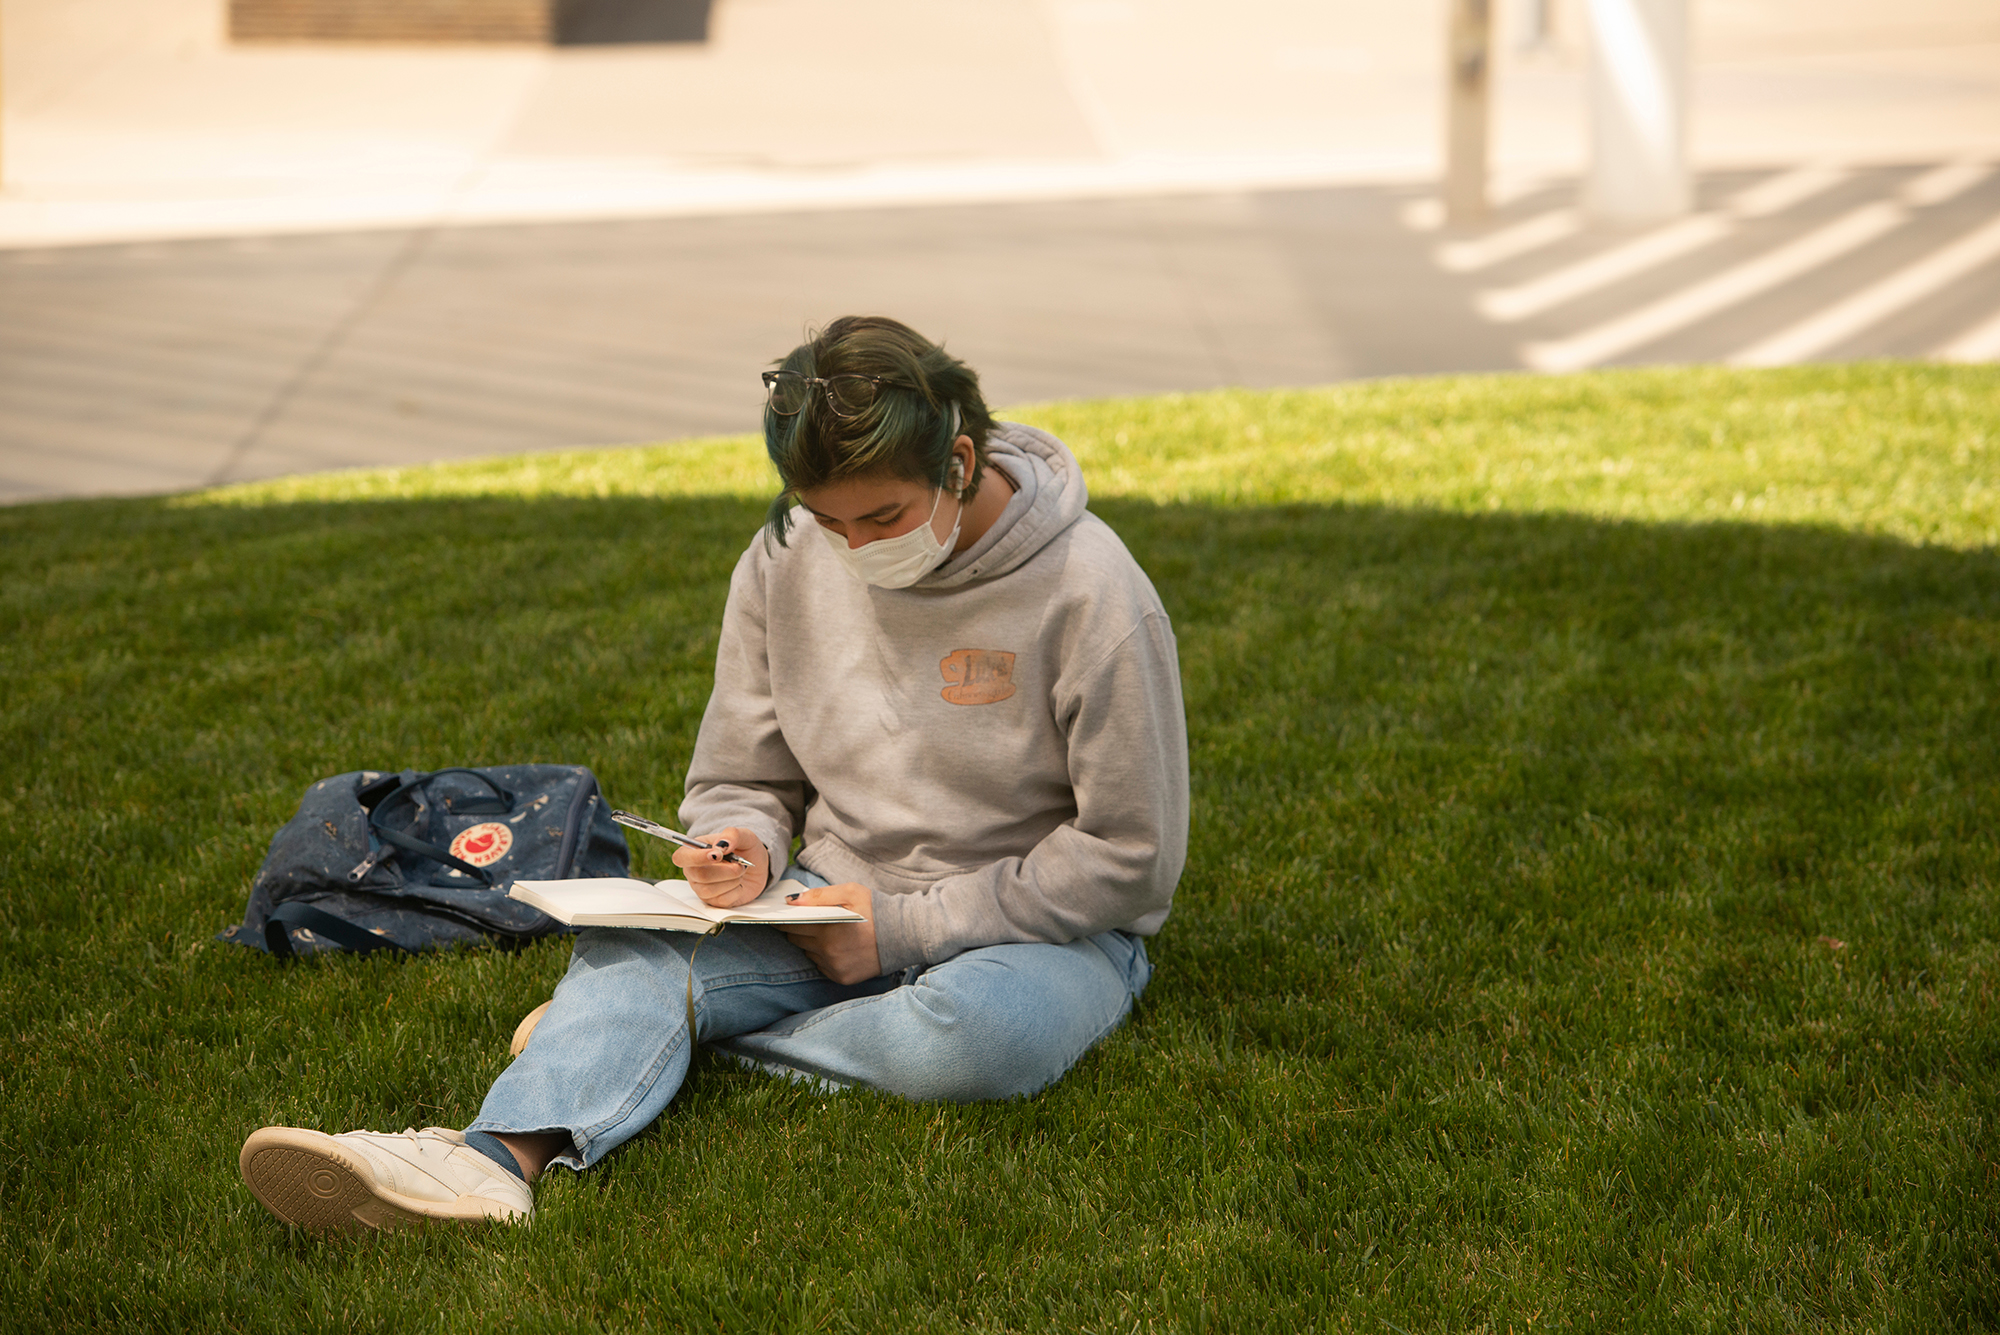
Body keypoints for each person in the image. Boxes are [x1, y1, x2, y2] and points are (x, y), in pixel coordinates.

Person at [237, 315, 1190, 1233]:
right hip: (821, 903)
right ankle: (486, 1159)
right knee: (641, 947)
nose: (855, 550)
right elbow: (743, 774)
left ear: (960, 463)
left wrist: (904, 929)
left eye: (884, 517)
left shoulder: (1093, 593)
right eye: (828, 521)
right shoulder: (785, 555)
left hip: (1041, 933)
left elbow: (1130, 856)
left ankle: (654, 1042)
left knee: (982, 1042)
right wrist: (742, 841)